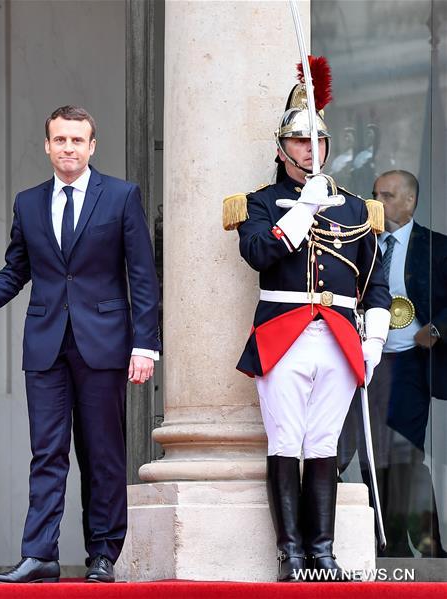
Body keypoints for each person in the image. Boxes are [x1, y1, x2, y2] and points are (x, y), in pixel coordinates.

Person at [0, 105, 161, 584]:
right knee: (46, 452)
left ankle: (103, 554)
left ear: (92, 146)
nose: (68, 148)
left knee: (102, 452)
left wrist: (144, 344)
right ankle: (39, 554)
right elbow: (15, 271)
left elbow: (142, 277)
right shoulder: (28, 202)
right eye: (60, 140)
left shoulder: (122, 196)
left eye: (77, 140)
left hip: (105, 344)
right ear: (47, 146)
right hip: (45, 345)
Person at [223, 57, 391, 581]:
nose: (309, 150)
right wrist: (302, 209)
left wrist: (377, 337)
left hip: (340, 337)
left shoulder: (358, 210)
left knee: (322, 445)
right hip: (283, 335)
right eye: (298, 142)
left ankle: (322, 553)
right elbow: (258, 255)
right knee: (285, 442)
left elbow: (375, 281)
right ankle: (290, 555)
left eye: (316, 142)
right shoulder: (261, 204)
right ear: (282, 149)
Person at [338, 170, 447, 557]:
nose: (376, 203)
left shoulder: (435, 247)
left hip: (411, 364)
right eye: (374, 194)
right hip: (367, 361)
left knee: (404, 454)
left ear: (409, 201)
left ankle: (425, 543)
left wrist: (435, 328)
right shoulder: (360, 244)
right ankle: (389, 542)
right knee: (371, 453)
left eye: (385, 195)